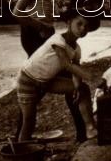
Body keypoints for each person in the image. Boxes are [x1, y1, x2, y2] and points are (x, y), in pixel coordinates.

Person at [11, 0, 88, 141]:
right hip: (36, 36)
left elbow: (35, 11)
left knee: (41, 84)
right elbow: (17, 12)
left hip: (41, 35)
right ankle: (83, 131)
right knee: (48, 82)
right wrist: (42, 27)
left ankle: (21, 135)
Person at [16, 9, 102, 142]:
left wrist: (77, 87)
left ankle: (90, 128)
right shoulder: (58, 40)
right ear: (69, 22)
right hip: (28, 80)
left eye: (86, 26)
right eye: (79, 24)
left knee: (83, 89)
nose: (82, 29)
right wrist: (90, 75)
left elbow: (75, 69)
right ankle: (22, 151)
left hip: (47, 81)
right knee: (29, 121)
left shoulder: (76, 49)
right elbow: (67, 65)